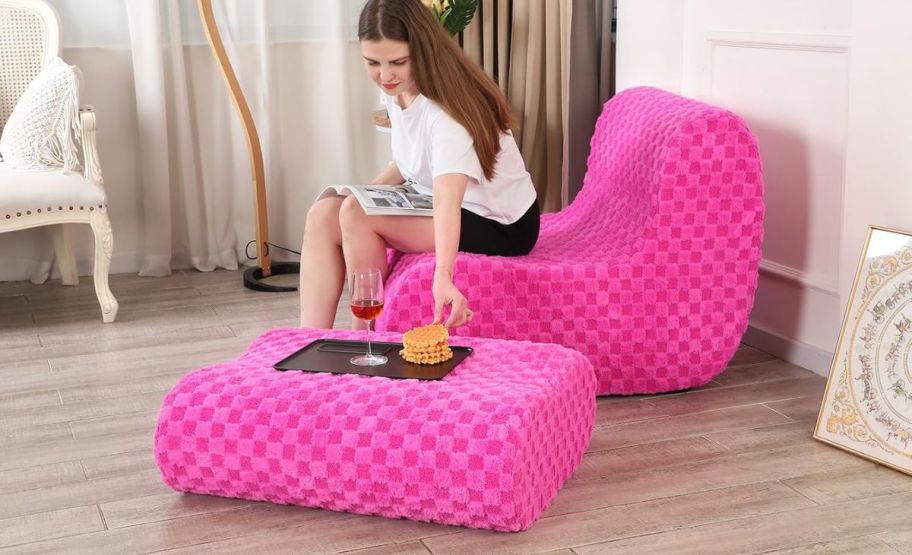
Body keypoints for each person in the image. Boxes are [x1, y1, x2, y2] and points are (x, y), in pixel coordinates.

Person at [299, 0, 539, 330]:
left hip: (498, 223)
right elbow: (409, 160)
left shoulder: (447, 112)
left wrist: (444, 276)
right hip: (436, 198)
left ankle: (362, 339)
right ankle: (309, 338)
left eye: (397, 62)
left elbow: (447, 200)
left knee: (355, 214)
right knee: (324, 212)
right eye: (373, 62)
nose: (384, 75)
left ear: (422, 50)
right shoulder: (398, 88)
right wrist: (365, 193)